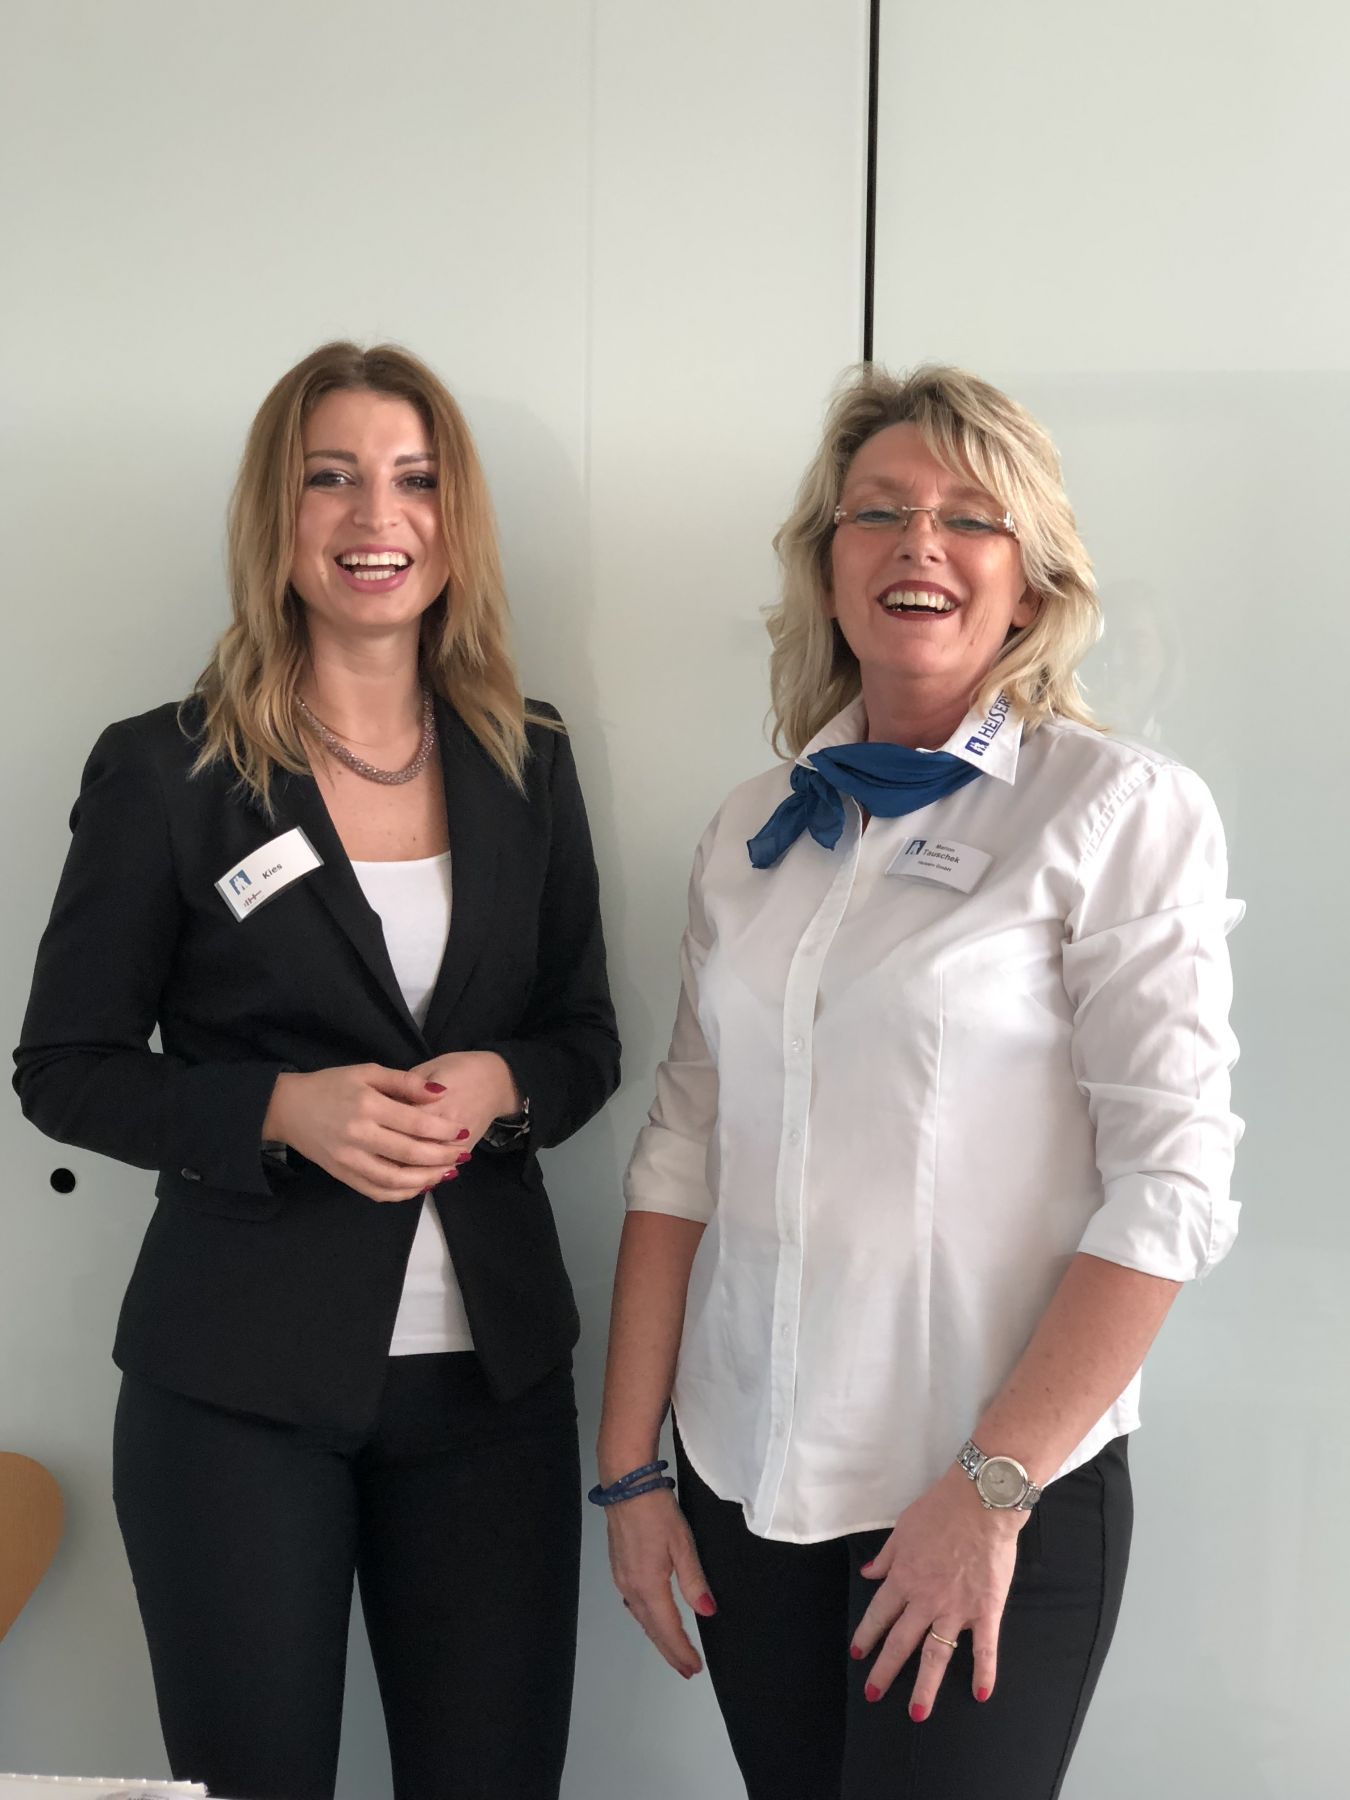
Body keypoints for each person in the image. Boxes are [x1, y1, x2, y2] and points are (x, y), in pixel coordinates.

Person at [596, 364, 1241, 1799]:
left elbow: (1172, 1189)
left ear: (1030, 579)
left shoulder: (1114, 811)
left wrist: (990, 1489)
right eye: (877, 511)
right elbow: (681, 1148)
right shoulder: (753, 830)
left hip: (985, 1492)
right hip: (745, 1480)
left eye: (969, 516)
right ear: (827, 566)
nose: (919, 544)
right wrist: (631, 1471)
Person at [14, 341, 619, 1800]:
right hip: (236, 1391)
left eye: (415, 479)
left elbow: (584, 1038)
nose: (375, 516)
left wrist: (502, 1086)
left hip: (491, 1393)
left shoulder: (526, 759)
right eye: (329, 477)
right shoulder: (166, 772)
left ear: (456, 519)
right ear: (275, 516)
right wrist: (279, 1109)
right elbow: (64, 1067)